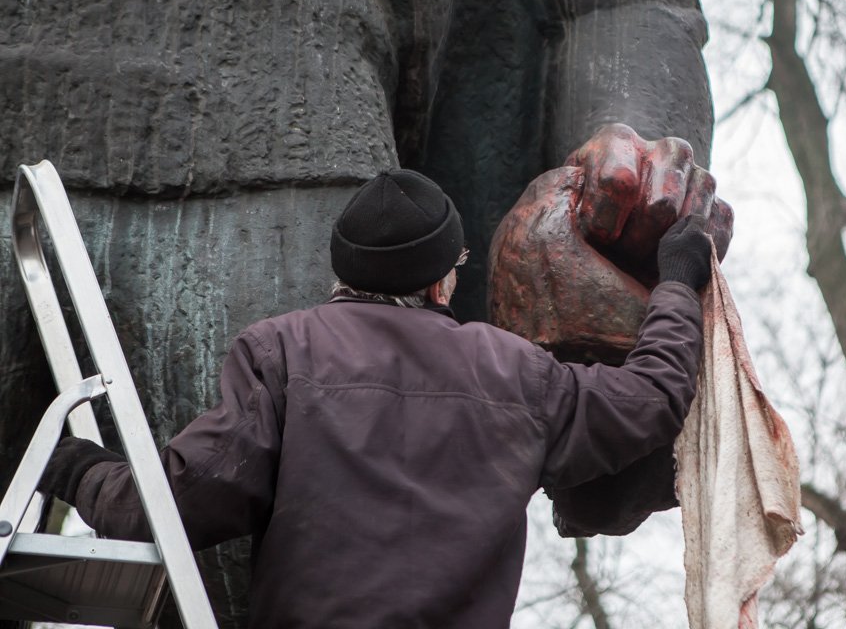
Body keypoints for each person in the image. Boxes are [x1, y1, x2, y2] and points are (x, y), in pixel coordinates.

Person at [39, 169, 713, 628]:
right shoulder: (516, 373)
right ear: (442, 281)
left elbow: (163, 508)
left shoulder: (281, 351)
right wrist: (678, 282)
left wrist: (71, 464)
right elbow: (651, 397)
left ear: (342, 272)